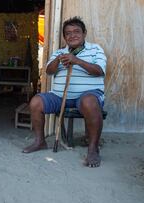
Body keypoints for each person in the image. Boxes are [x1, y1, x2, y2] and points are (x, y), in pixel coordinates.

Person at [22, 16, 107, 168]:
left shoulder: (95, 49)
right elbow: (49, 71)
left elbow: (99, 71)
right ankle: (40, 141)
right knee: (36, 102)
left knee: (89, 101)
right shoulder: (59, 52)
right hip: (60, 96)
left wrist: (77, 60)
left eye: (76, 31)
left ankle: (93, 149)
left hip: (88, 95)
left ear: (84, 33)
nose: (72, 35)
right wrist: (58, 61)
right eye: (68, 33)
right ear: (64, 37)